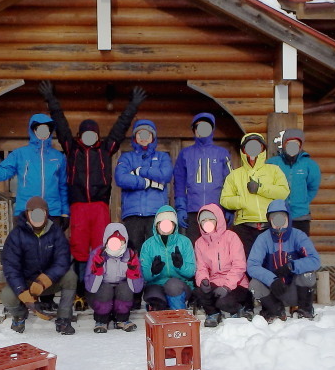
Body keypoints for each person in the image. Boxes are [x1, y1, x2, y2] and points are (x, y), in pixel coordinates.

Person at [38, 81, 146, 307]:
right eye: (86, 134)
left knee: (101, 247)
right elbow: (61, 123)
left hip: (99, 207)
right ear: (80, 135)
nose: (89, 137)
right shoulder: (71, 148)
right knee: (78, 250)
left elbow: (120, 126)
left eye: (93, 134)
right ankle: (79, 291)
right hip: (78, 206)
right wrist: (52, 101)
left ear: (97, 136)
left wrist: (132, 106)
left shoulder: (106, 149)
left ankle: (97, 290)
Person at [0, 197, 78, 334]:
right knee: (7, 295)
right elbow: (11, 267)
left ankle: (63, 319)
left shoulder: (56, 232)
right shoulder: (16, 235)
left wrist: (44, 280)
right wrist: (22, 292)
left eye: (41, 212)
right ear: (27, 214)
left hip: (48, 282)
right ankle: (19, 315)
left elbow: (63, 260)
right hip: (26, 282)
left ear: (46, 213)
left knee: (70, 276)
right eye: (33, 213)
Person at [0, 113, 69, 227]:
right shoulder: (20, 154)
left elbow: (63, 187)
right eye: (40, 129)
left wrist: (65, 213)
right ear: (33, 130)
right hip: (25, 212)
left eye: (46, 129)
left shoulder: (58, 157)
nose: (43, 132)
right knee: (24, 245)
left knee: (51, 245)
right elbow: (1, 174)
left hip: (52, 213)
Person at [247, 199, 321, 322]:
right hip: (273, 290)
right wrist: (271, 280)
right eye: (274, 218)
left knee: (308, 274)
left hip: (294, 289)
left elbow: (314, 260)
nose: (279, 222)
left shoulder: (298, 236)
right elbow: (252, 266)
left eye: (282, 217)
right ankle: (275, 310)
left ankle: (305, 309)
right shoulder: (263, 239)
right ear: (269, 220)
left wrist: (292, 266)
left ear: (288, 218)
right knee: (254, 284)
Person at [220, 132, 290, 258]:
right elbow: (225, 200)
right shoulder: (234, 175)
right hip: (244, 227)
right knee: (246, 261)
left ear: (263, 149)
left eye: (257, 146)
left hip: (270, 225)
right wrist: (242, 201)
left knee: (271, 260)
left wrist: (260, 188)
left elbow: (283, 192)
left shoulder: (273, 171)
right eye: (249, 146)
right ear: (243, 151)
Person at [115, 119, 173, 253]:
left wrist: (140, 171)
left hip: (156, 213)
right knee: (134, 252)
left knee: (157, 251)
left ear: (153, 137)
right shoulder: (126, 158)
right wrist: (147, 183)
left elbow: (165, 175)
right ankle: (137, 275)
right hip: (133, 213)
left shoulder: (162, 157)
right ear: (134, 137)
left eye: (147, 134)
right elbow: (121, 178)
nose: (143, 138)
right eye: (140, 134)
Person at [173, 112, 233, 244]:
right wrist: (181, 208)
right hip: (193, 210)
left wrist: (229, 208)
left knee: (218, 246)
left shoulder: (222, 153)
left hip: (217, 210)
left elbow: (230, 182)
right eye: (199, 127)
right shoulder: (185, 154)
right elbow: (179, 183)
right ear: (194, 130)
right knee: (195, 247)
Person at [192, 203, 252, 326]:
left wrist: (227, 286)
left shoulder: (231, 237)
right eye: (203, 220)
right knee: (199, 292)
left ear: (217, 220)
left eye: (210, 220)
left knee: (223, 301)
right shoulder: (199, 243)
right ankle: (213, 313)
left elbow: (239, 265)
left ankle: (239, 309)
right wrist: (203, 280)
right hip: (215, 282)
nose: (207, 223)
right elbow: (201, 267)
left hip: (236, 284)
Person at [83, 223, 144, 333]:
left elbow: (137, 289)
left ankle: (122, 319)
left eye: (120, 241)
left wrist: (133, 272)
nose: (117, 245)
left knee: (125, 289)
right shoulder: (97, 254)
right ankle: (102, 320)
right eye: (112, 241)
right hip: (101, 291)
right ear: (106, 241)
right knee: (105, 290)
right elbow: (91, 287)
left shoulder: (130, 255)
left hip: (121, 290)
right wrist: (98, 270)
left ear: (125, 241)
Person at [139, 205, 196, 310]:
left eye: (169, 224)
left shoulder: (184, 242)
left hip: (179, 285)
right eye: (162, 223)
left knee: (172, 286)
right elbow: (144, 276)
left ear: (175, 225)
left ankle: (178, 316)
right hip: (156, 284)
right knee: (154, 296)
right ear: (156, 225)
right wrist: (153, 271)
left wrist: (181, 266)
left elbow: (191, 272)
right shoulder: (148, 245)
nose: (165, 227)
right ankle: (160, 318)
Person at [266, 128, 321, 235]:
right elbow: (266, 185)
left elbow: (312, 187)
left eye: (295, 144)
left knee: (299, 247)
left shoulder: (310, 165)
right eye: (289, 144)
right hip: (277, 213)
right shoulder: (272, 163)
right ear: (284, 144)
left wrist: (302, 201)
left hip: (300, 215)